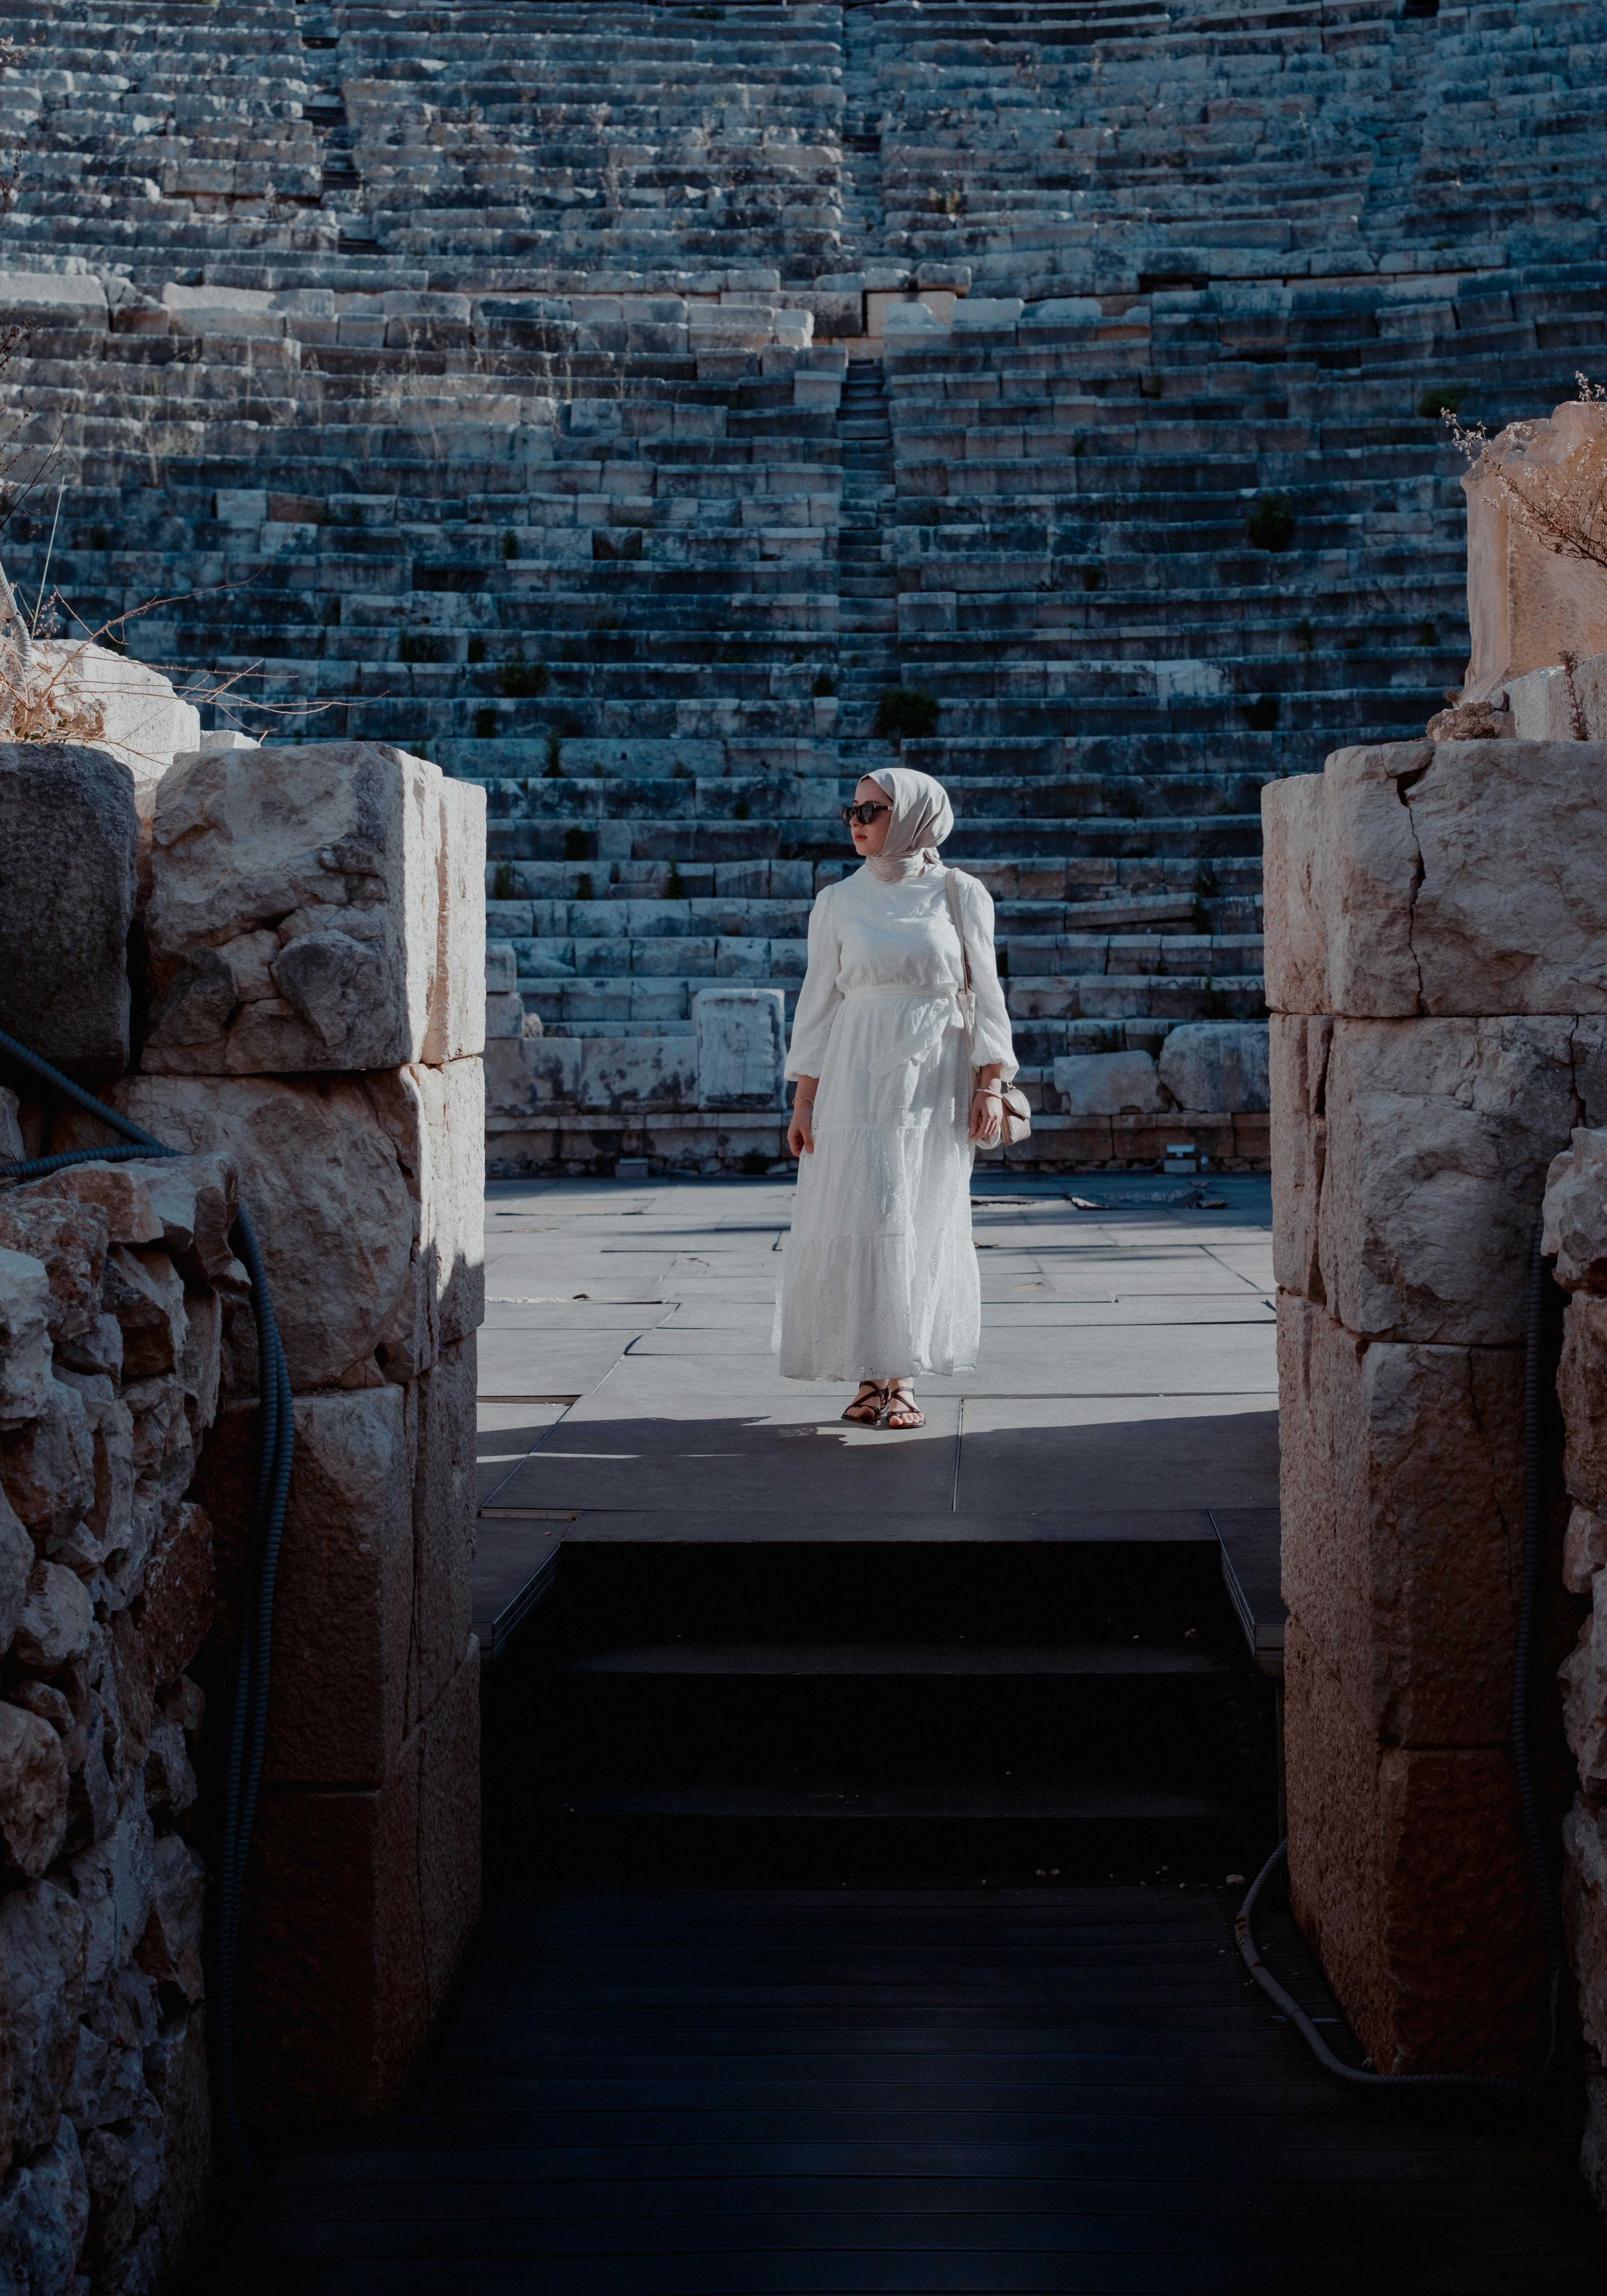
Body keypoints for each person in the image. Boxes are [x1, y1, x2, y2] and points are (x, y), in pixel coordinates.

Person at [773, 765, 1017, 1428]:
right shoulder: (837, 902)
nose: (856, 822)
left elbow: (987, 994)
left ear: (911, 815)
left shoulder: (959, 893)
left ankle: (900, 1374)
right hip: (856, 1074)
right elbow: (818, 1005)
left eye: (871, 811)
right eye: (850, 811)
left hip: (932, 1077)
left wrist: (989, 1082)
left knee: (918, 1210)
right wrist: (803, 1100)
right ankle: (867, 1371)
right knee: (863, 1212)